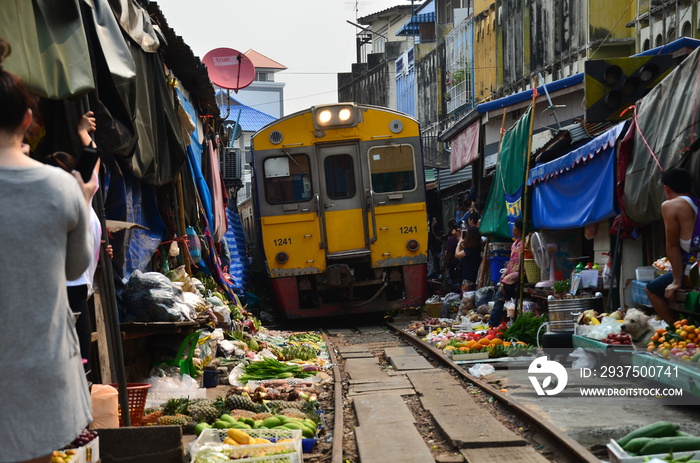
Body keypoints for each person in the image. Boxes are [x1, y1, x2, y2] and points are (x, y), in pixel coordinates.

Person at [0, 39, 94, 463]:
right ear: (26, 119)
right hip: (41, 374)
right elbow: (77, 267)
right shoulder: (60, 188)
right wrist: (86, 199)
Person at [45, 111, 112, 379]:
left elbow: (91, 161)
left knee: (78, 359)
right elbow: (92, 159)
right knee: (79, 362)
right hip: (69, 290)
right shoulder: (71, 199)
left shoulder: (80, 196)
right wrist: (83, 132)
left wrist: (98, 250)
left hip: (77, 287)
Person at [646, 167, 699, 325]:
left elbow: (672, 246)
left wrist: (676, 281)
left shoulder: (670, 205)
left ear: (666, 188)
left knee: (651, 289)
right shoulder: (696, 203)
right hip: (694, 266)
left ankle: (679, 330)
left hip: (695, 271)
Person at [490, 219, 524, 327]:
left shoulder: (525, 243)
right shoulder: (514, 244)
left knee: (501, 291)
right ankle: (494, 323)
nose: (513, 230)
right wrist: (504, 274)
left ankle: (493, 323)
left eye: (514, 228)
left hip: (521, 272)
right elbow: (511, 262)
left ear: (519, 230)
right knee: (501, 285)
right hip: (512, 272)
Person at [456, 219, 482, 288]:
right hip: (475, 277)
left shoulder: (469, 250)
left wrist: (459, 242)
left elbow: (457, 255)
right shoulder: (478, 248)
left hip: (467, 279)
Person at [442, 219, 461, 286]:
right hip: (461, 265)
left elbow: (449, 255)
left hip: (454, 266)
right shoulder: (461, 237)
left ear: (450, 228)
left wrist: (444, 268)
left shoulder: (451, 239)